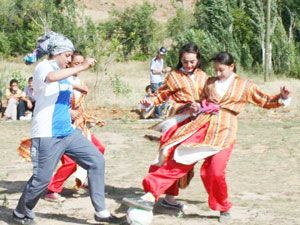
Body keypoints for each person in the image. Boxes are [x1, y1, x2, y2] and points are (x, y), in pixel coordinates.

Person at [123, 52, 290, 222]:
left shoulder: (245, 85)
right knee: (180, 159)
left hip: (225, 131)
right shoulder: (210, 82)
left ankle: (223, 208)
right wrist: (196, 107)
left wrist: (282, 97)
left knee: (214, 171)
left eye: (221, 70)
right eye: (215, 70)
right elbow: (201, 102)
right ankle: (150, 195)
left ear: (231, 67)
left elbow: (265, 100)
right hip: (202, 127)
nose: (217, 74)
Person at [12, 31, 119, 224]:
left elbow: (58, 95)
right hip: (47, 133)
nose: (70, 60)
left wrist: (77, 96)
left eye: (71, 56)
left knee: (96, 161)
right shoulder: (44, 67)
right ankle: (21, 212)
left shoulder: (62, 72)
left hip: (67, 131)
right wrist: (84, 65)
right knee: (42, 180)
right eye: (67, 56)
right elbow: (52, 77)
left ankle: (101, 212)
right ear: (57, 53)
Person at [139, 43, 208, 210]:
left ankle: (169, 197)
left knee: (186, 160)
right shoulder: (173, 76)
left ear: (198, 59)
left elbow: (210, 97)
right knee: (167, 156)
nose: (189, 65)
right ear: (180, 60)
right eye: (185, 61)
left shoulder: (204, 76)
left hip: (198, 123)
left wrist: (202, 107)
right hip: (177, 122)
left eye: (192, 61)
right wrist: (150, 102)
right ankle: (152, 193)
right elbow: (161, 94)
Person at [45, 50, 106, 202]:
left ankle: (85, 179)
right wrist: (68, 111)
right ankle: (52, 190)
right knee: (70, 162)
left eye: (81, 63)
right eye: (76, 63)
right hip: (62, 127)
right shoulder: (62, 79)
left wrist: (91, 118)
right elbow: (54, 102)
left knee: (99, 149)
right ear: (70, 63)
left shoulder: (78, 81)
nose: (80, 66)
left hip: (79, 126)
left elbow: (80, 107)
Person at [150, 46, 168, 118]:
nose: (161, 55)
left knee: (164, 96)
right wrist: (162, 70)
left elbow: (160, 71)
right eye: (161, 54)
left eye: (163, 54)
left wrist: (165, 70)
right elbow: (153, 71)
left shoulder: (162, 60)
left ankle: (159, 112)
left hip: (160, 80)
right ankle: (157, 114)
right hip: (155, 81)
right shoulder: (154, 60)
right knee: (157, 96)